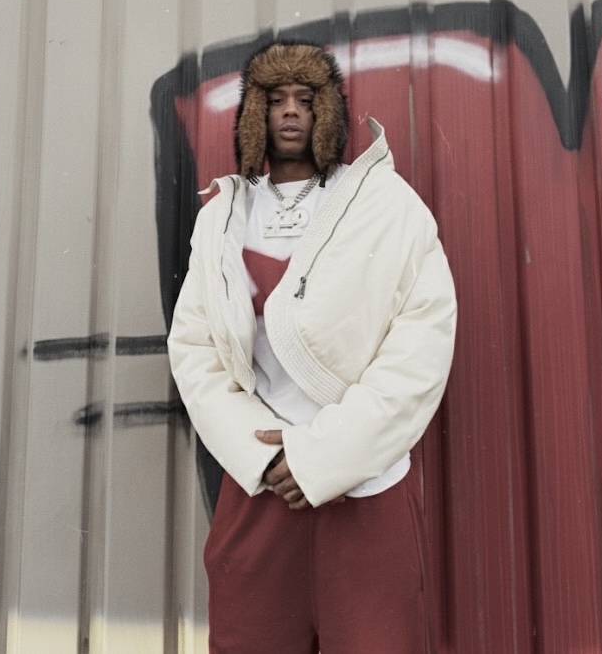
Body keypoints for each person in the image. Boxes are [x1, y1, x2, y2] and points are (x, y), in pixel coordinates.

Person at [167, 40, 457, 653]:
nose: (291, 111)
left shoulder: (384, 204)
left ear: (327, 111)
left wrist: (328, 456)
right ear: (256, 114)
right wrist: (263, 457)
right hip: (261, 485)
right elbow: (194, 348)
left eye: (306, 98)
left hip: (366, 483)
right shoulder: (222, 217)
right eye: (276, 100)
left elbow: (422, 342)